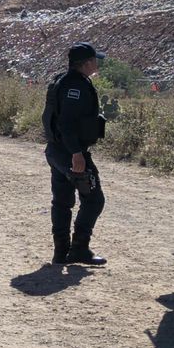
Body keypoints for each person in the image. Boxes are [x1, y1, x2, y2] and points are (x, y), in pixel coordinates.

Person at [42, 42, 108, 266]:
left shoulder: (64, 80)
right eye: (94, 60)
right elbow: (66, 123)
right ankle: (79, 248)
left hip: (57, 151)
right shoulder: (76, 87)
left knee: (62, 201)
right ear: (87, 63)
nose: (97, 63)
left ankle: (61, 253)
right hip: (69, 153)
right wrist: (77, 154)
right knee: (94, 199)